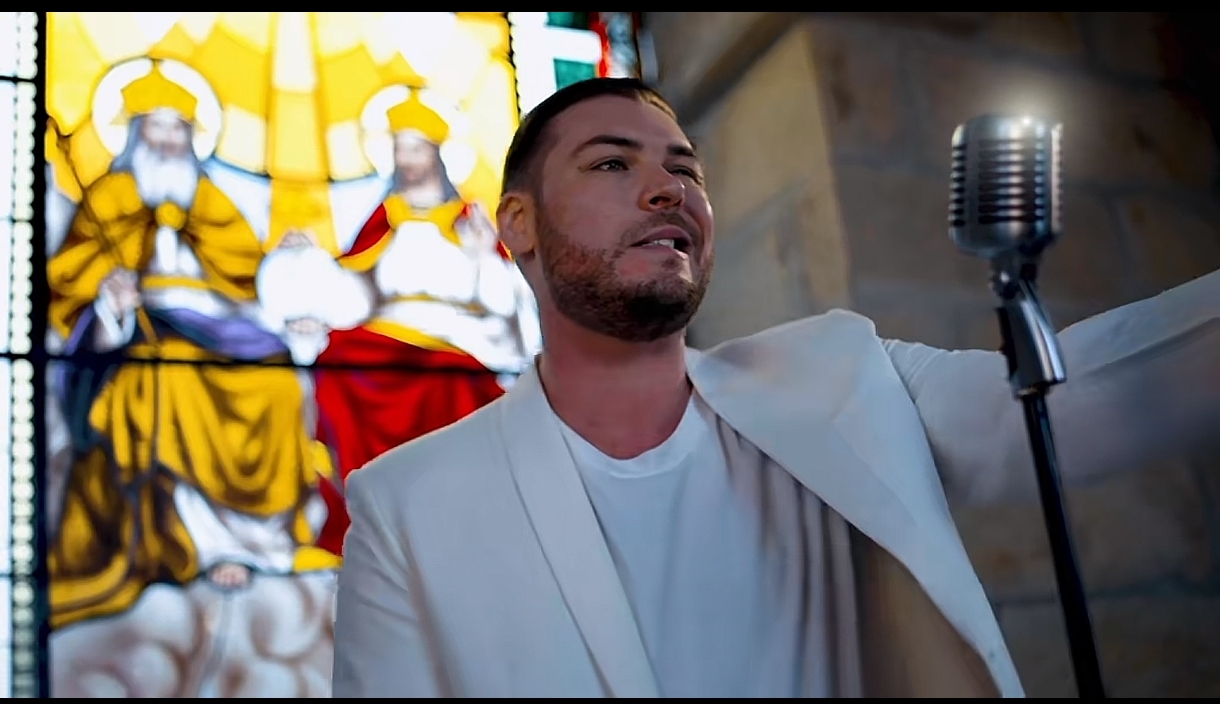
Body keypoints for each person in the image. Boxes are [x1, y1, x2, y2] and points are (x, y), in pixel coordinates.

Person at [331, 77, 1220, 697]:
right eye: (612, 164)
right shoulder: (409, 505)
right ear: (517, 225)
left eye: (686, 169)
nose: (667, 189)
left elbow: (1092, 396)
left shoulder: (842, 377)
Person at [47, 65, 329, 630]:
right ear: (135, 133)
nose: (169, 141)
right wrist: (112, 304)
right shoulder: (110, 196)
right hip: (145, 334)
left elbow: (249, 281)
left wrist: (286, 277)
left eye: (179, 129)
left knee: (277, 383)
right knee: (162, 376)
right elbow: (70, 285)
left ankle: (259, 541)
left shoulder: (212, 200)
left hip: (221, 329)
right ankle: (195, 542)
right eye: (157, 128)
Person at [256, 87, 541, 557]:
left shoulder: (470, 220)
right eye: (398, 149)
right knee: (337, 363)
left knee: (450, 382)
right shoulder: (382, 219)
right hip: (386, 332)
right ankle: (366, 517)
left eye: (415, 149)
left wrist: (479, 256)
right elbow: (354, 289)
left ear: (438, 154)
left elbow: (506, 299)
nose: (405, 160)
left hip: (458, 338)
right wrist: (307, 262)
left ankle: (453, 525)